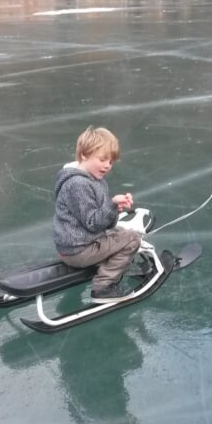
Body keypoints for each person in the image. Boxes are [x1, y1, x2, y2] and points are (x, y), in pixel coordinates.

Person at [53, 127, 140, 302]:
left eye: (111, 161)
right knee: (132, 239)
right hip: (78, 250)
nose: (107, 165)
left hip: (77, 245)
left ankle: (113, 267)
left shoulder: (95, 180)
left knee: (121, 231)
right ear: (84, 155)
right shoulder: (78, 184)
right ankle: (104, 287)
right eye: (102, 159)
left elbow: (104, 222)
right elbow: (93, 223)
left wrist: (115, 208)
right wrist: (112, 204)